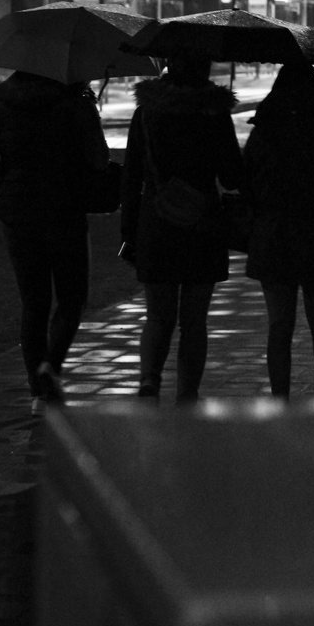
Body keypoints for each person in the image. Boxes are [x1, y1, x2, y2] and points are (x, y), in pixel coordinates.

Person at [0, 70, 110, 414]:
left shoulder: (4, 106)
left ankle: (37, 392)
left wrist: (10, 179)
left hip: (19, 213)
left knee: (34, 302)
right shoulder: (75, 105)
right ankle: (52, 367)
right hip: (64, 209)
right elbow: (99, 159)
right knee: (71, 298)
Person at [120, 51, 243, 404]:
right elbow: (232, 175)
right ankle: (188, 393)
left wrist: (129, 231)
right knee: (194, 320)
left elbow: (131, 175)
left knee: (158, 315)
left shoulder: (147, 112)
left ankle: (149, 381)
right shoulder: (214, 112)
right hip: (202, 224)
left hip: (155, 222)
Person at [243, 59, 314, 400]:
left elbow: (246, 184)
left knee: (279, 327)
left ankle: (280, 398)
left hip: (275, 238)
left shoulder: (265, 130)